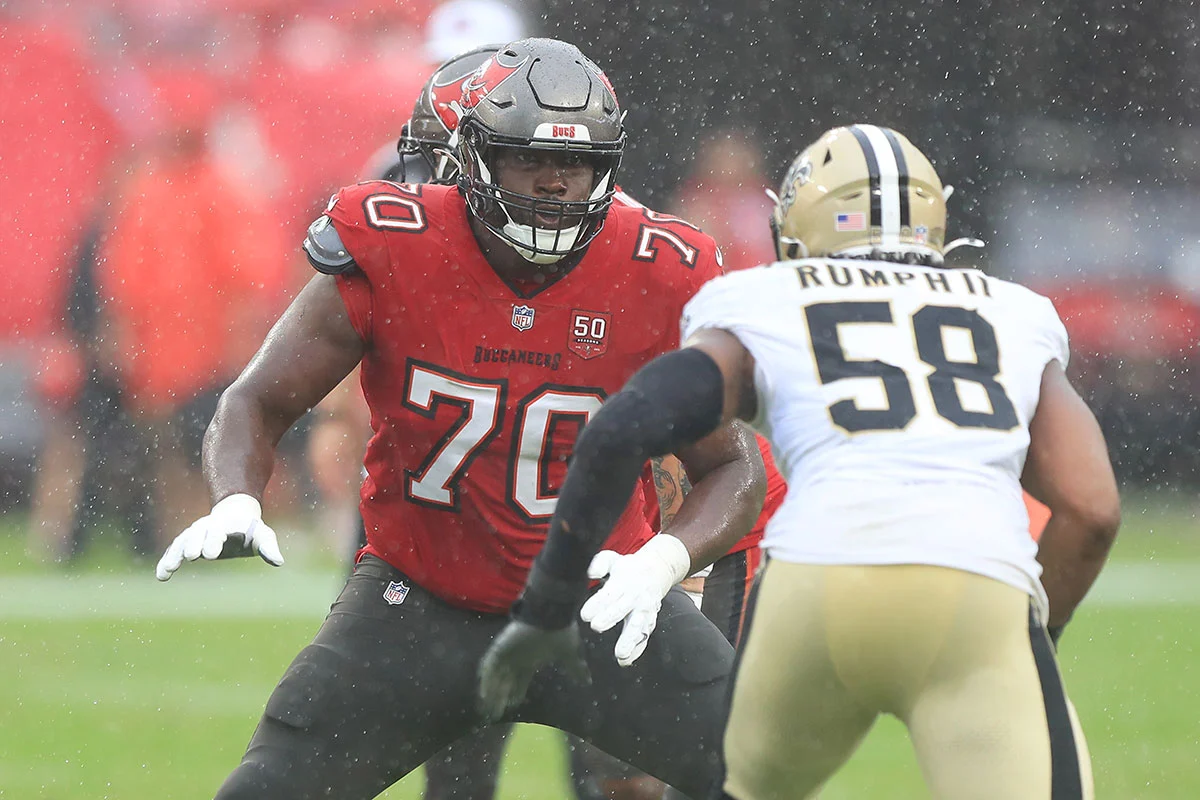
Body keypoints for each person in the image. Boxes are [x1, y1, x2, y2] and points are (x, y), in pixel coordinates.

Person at [155, 38, 767, 800]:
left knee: (762, 775)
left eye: (574, 166)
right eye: (527, 161)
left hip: (598, 600)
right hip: (419, 605)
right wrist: (237, 495)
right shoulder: (394, 242)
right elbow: (257, 399)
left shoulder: (655, 268)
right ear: (472, 157)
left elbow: (734, 463)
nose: (553, 186)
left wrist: (664, 562)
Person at [480, 124, 1121, 800]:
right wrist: (1035, 632)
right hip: (974, 586)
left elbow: (622, 427)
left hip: (816, 582)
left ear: (801, 223)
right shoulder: (1014, 312)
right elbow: (1091, 507)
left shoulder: (768, 298)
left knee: (731, 787)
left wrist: (548, 604)